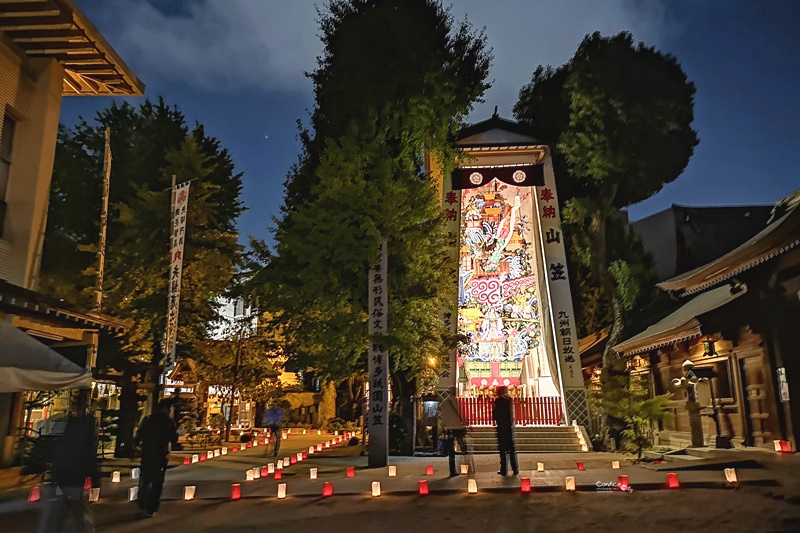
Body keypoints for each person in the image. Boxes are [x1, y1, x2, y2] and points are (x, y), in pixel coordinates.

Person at [42, 402, 98, 533]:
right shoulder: (84, 442)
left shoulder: (66, 439)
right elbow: (88, 459)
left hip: (64, 478)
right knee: (77, 509)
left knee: (62, 509)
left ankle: (53, 529)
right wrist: (93, 477)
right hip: (75, 478)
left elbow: (58, 456)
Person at [134, 399, 178, 517]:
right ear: (166, 408)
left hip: (147, 453)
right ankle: (151, 507)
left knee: (145, 479)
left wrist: (136, 448)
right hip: (160, 455)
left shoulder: (148, 419)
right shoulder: (168, 422)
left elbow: (139, 436)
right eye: (171, 408)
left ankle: (142, 503)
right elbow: (174, 439)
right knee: (157, 482)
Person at [440, 391, 469, 477]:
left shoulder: (445, 404)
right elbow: (463, 414)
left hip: (449, 428)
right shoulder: (457, 403)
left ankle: (452, 470)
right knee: (463, 446)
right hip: (458, 428)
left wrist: (444, 426)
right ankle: (466, 464)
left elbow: (442, 416)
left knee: (451, 451)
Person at [492, 386, 518, 476]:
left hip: (501, 427)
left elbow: (494, 414)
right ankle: (515, 469)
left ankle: (504, 469)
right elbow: (511, 413)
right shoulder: (509, 400)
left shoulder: (497, 401)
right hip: (508, 426)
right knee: (511, 450)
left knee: (502, 450)